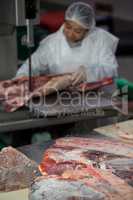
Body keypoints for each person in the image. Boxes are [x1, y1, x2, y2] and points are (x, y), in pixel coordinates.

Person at [16, 2, 119, 86]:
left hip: (98, 98)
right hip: (62, 99)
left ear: (88, 30)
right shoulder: (52, 43)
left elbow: (111, 69)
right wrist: (21, 78)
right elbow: (32, 64)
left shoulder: (99, 40)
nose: (70, 34)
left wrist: (89, 73)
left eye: (77, 31)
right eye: (68, 27)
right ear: (64, 21)